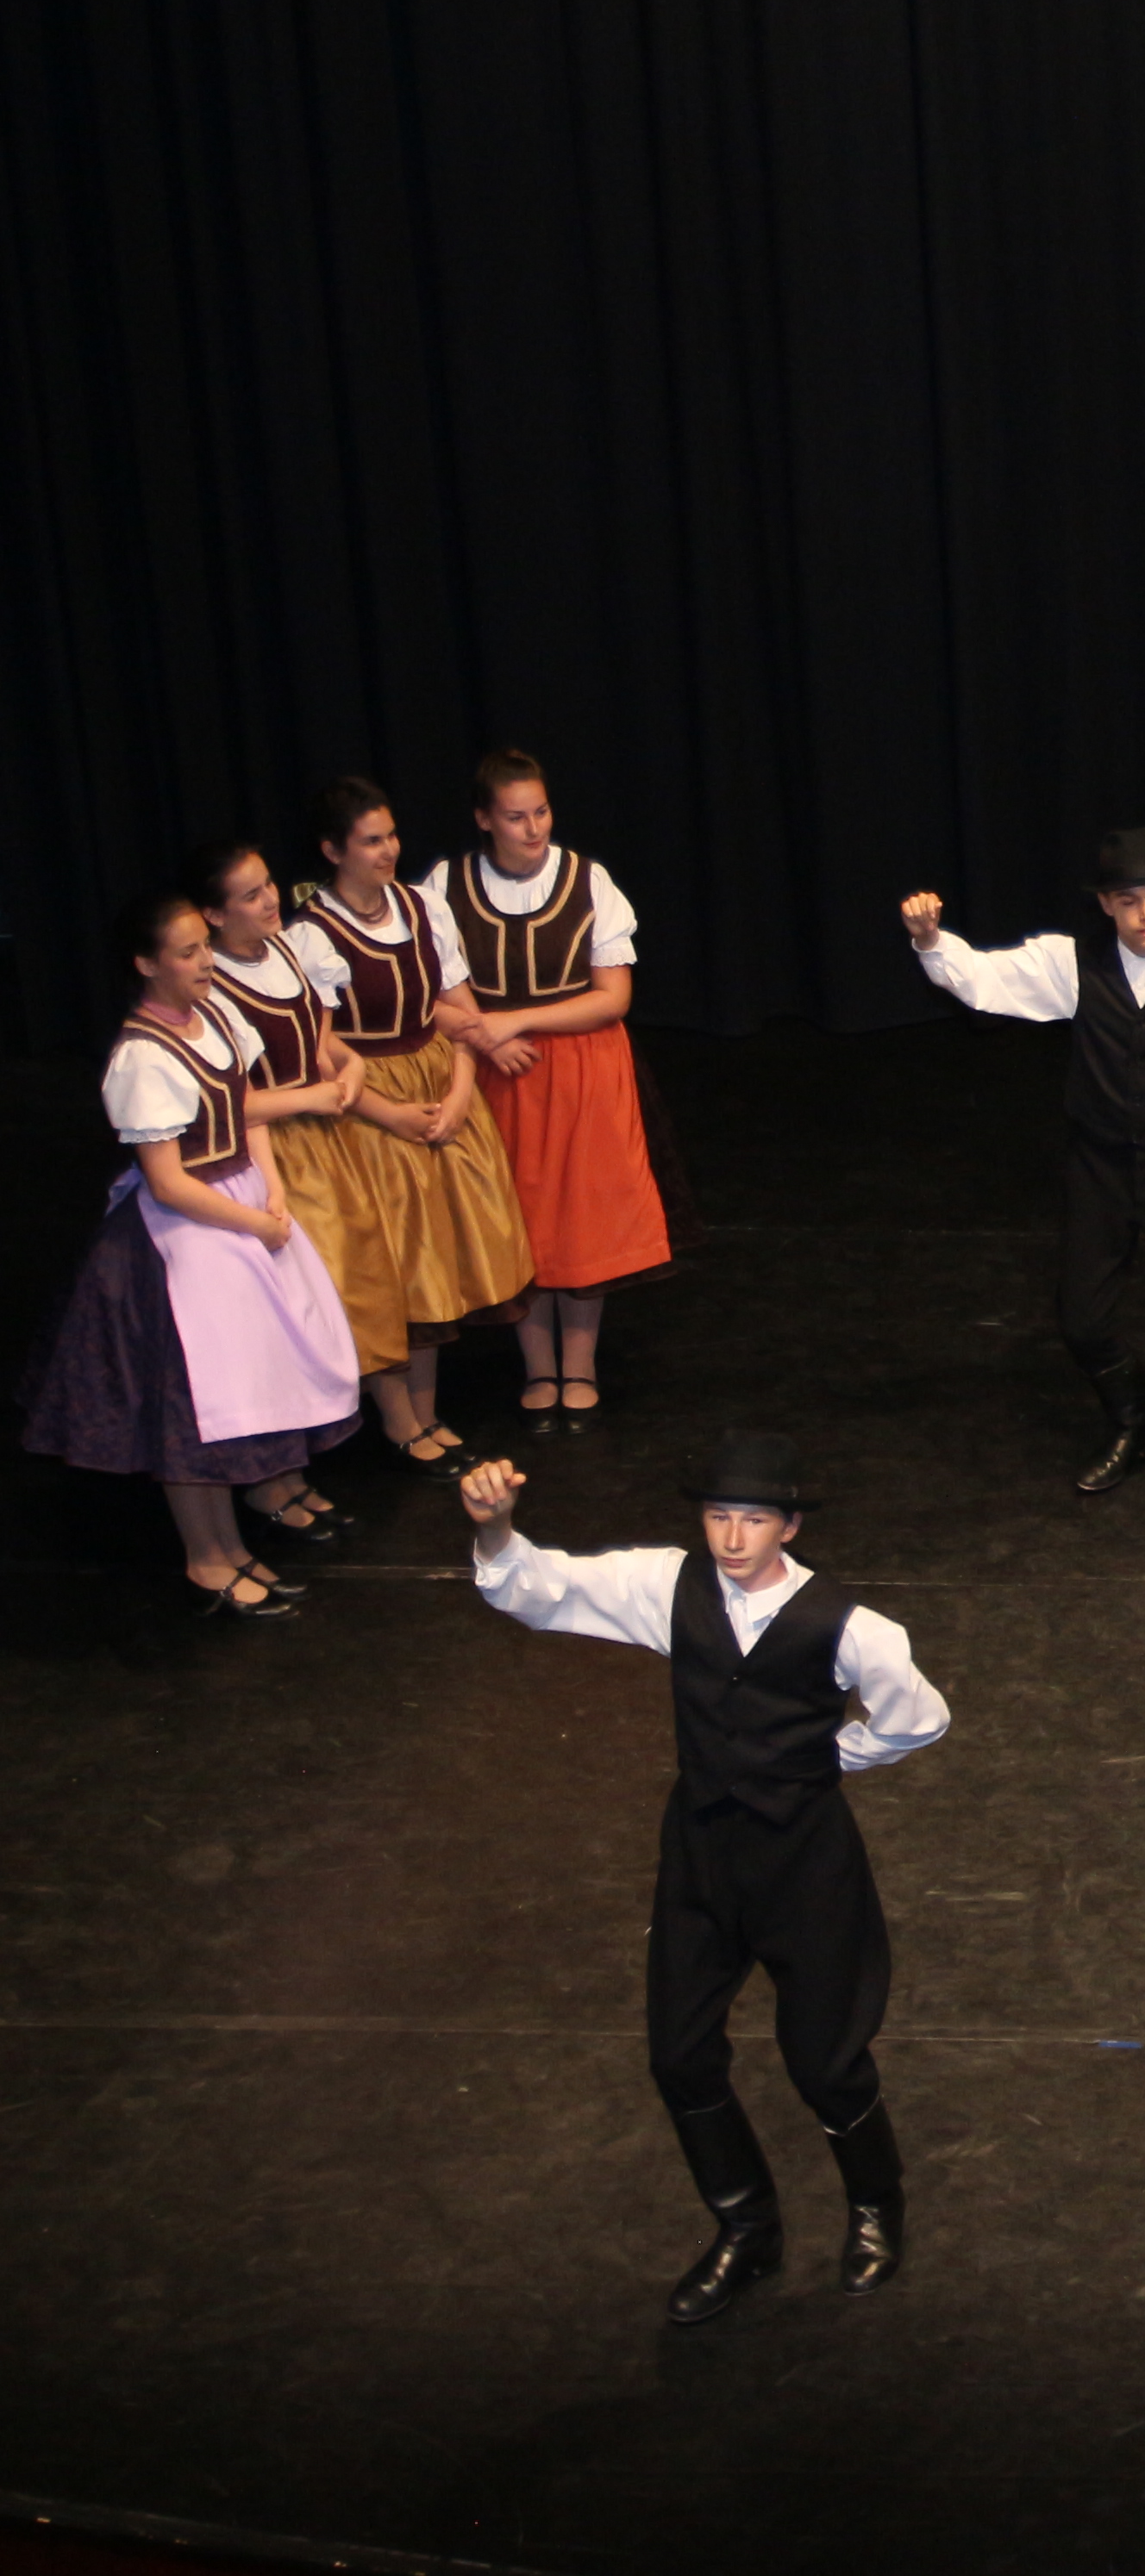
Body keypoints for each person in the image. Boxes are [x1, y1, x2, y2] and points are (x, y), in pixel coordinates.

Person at [461, 1436, 944, 2323]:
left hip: (805, 1863)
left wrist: (827, 1758)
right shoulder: (667, 1585)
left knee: (826, 2062)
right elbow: (540, 1589)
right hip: (703, 1855)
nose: (730, 1536)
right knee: (679, 2054)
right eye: (719, 1516)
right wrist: (496, 1529)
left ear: (788, 1528)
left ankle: (877, 2205)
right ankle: (746, 2227)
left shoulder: (849, 1626)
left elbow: (917, 1716)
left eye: (752, 1520)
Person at [901, 828, 1145, 1503]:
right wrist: (931, 940)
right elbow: (983, 982)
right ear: (1106, 905)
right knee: (1081, 1318)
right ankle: (1136, 1418)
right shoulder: (1072, 965)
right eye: (1129, 901)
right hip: (1099, 1166)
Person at [16, 892, 365, 1618]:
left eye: (204, 946)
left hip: (242, 1205)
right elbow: (168, 1182)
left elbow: (245, 1110)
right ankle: (208, 1557)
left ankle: (243, 1531)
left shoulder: (219, 1017)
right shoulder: (143, 1056)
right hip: (186, 1233)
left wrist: (273, 1190)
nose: (205, 961)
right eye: (186, 953)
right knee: (196, 1402)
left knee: (256, 1375)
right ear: (147, 965)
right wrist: (251, 1221)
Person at [284, 777, 533, 1476]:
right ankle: (398, 1418)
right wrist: (387, 1111)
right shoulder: (313, 936)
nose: (388, 850)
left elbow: (456, 1011)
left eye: (391, 835)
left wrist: (460, 1090)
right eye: (371, 841)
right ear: (333, 850)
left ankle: (426, 1411)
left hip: (436, 1085)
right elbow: (318, 1048)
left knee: (437, 1262)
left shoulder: (422, 907)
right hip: (367, 1104)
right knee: (393, 1264)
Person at [431, 750, 671, 1431]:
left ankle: (581, 1365)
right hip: (497, 1071)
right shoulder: (446, 886)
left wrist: (518, 1019)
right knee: (523, 1218)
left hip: (580, 1065)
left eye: (540, 812)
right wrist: (489, 1037)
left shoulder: (588, 881)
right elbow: (436, 990)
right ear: (485, 820)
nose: (533, 828)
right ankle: (538, 1365)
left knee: (582, 1218)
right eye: (516, 817)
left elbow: (612, 998)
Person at [186, 839, 390, 1551]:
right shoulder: (210, 993)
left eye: (269, 884)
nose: (270, 899)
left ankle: (295, 1469)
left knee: (328, 1304)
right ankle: (269, 1481)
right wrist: (312, 1096)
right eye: (249, 895)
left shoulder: (294, 950)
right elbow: (231, 1102)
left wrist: (351, 1069)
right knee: (281, 1324)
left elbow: (323, 1039)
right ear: (214, 916)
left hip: (316, 1146)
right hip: (265, 1157)